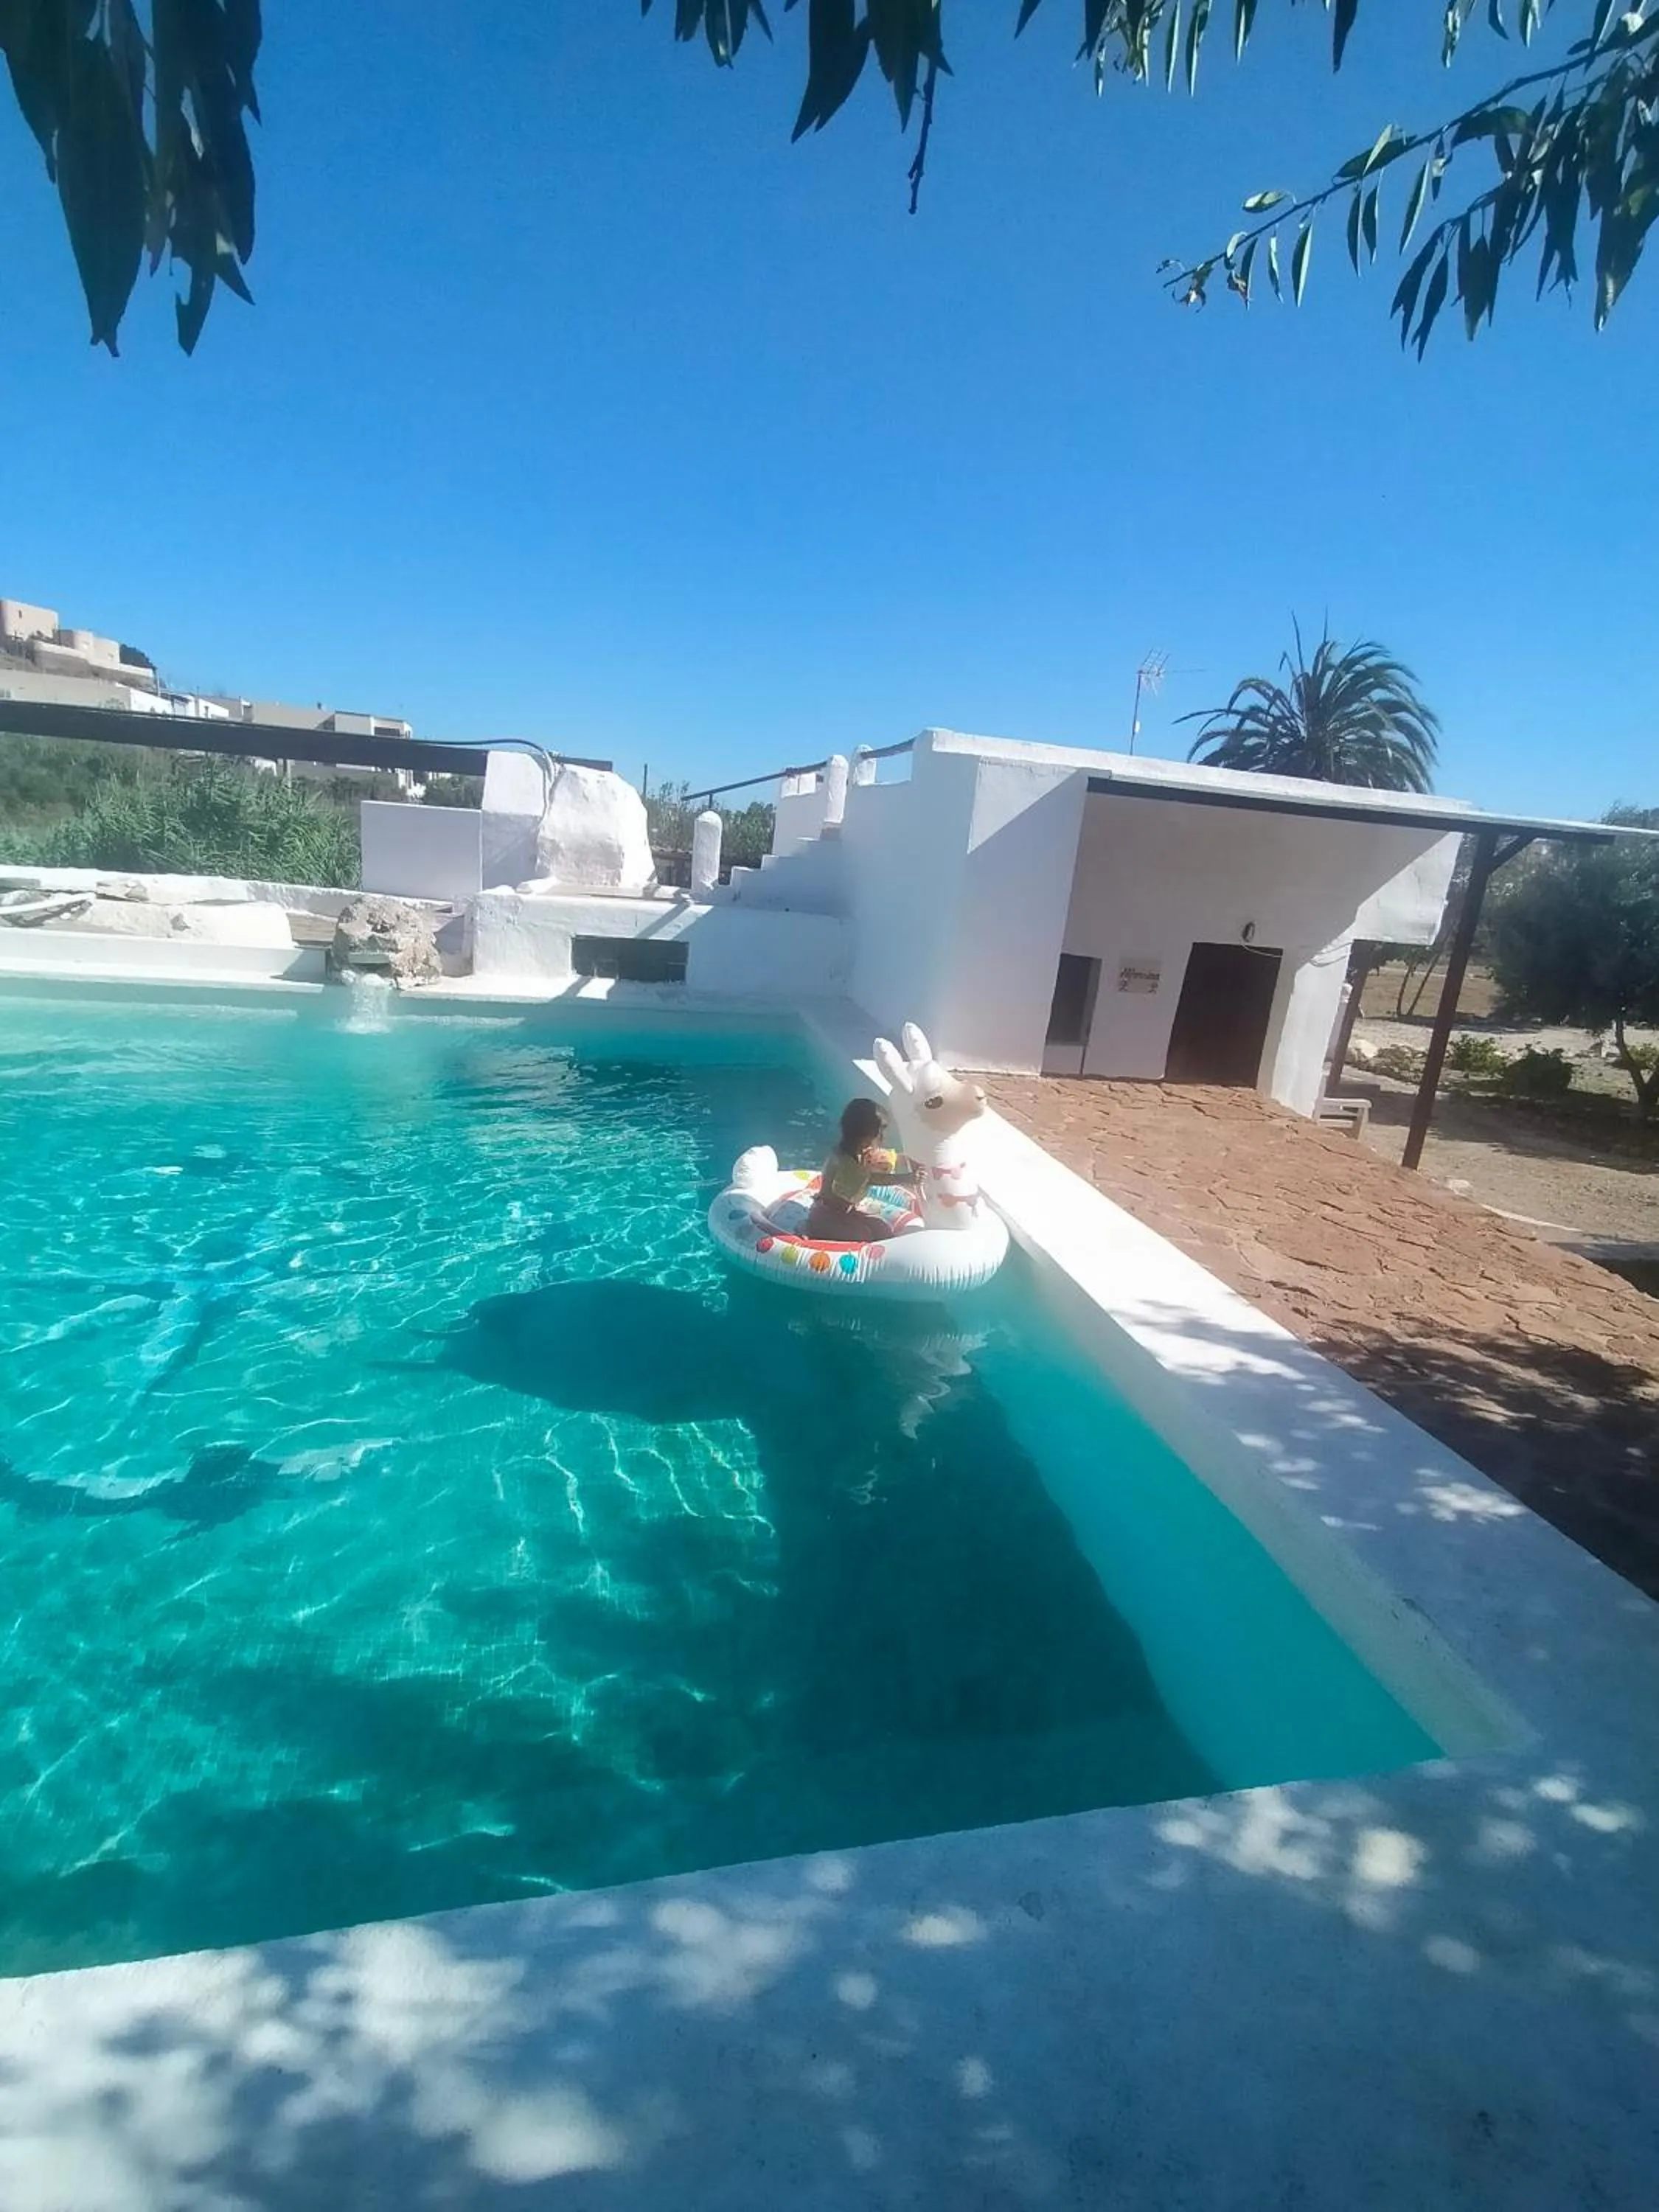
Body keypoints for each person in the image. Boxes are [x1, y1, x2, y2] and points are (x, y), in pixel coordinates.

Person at [803, 1097, 917, 1243]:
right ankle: (812, 1229)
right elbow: (862, 1184)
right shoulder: (843, 1160)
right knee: (862, 1236)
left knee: (882, 1229)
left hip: (846, 1211)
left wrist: (910, 1160)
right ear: (863, 1133)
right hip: (827, 1214)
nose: (883, 1136)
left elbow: (887, 1161)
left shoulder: (862, 1152)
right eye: (880, 1131)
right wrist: (906, 1178)